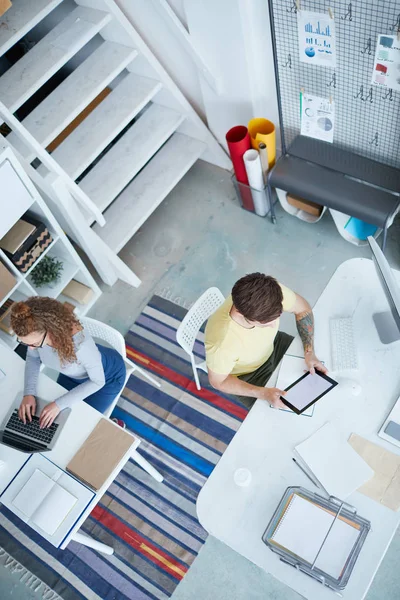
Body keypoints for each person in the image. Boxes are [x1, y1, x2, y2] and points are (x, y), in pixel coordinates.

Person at [205, 272, 327, 410]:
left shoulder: (268, 291)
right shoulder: (222, 344)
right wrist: (263, 393)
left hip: (275, 344)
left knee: (324, 374)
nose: (274, 325)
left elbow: (302, 309)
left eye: (277, 317)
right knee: (285, 413)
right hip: (250, 375)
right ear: (240, 313)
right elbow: (218, 382)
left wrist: (309, 351)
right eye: (265, 323)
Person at [10, 297, 126, 428]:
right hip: (72, 374)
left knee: (81, 423)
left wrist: (58, 404)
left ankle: (115, 425)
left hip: (106, 378)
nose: (31, 348)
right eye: (25, 343)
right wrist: (29, 393)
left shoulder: (81, 347)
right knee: (57, 420)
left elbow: (98, 382)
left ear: (51, 329)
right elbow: (33, 358)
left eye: (35, 343)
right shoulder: (36, 337)